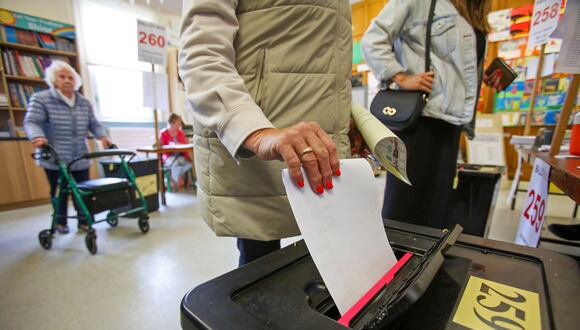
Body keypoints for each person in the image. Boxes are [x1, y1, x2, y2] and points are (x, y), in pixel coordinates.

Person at [179, 0, 352, 266]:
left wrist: (344, 123)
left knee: (325, 275)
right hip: (258, 149)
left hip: (317, 149)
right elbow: (202, 54)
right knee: (261, 276)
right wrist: (256, 132)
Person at [361, 0, 501, 229]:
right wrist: (401, 77)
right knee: (404, 210)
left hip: (450, 123)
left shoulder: (470, 11)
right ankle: (398, 263)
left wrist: (482, 77)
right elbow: (372, 40)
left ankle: (425, 262)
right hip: (419, 120)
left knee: (436, 210)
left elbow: (449, 63)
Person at [24, 60, 112, 234]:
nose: (66, 81)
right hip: (55, 155)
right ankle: (60, 222)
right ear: (53, 80)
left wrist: (102, 136)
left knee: (83, 189)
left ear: (76, 80)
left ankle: (84, 221)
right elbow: (32, 121)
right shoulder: (42, 99)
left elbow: (93, 123)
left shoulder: (84, 102)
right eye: (62, 77)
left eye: (70, 77)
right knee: (60, 192)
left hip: (79, 154)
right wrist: (37, 136)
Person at [159, 113, 193, 190]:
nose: (180, 125)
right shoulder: (163, 133)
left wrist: (180, 144)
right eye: (178, 122)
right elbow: (161, 147)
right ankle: (175, 181)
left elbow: (185, 145)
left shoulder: (180, 133)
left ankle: (172, 179)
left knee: (189, 164)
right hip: (168, 156)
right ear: (172, 123)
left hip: (181, 156)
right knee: (177, 163)